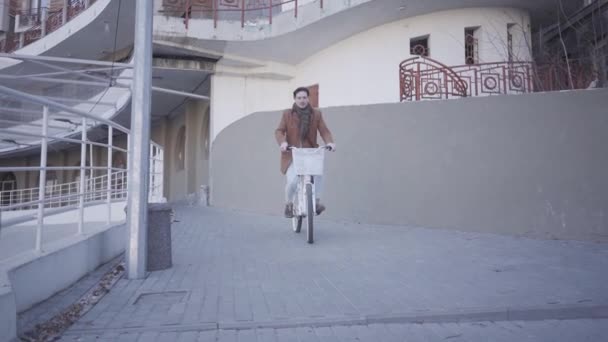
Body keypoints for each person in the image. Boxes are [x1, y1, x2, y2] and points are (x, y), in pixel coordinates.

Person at [275, 87, 335, 218]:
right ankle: (289, 204)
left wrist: (329, 142)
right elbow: (279, 131)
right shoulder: (287, 114)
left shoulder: (316, 114)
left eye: (304, 97)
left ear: (308, 98)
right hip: (292, 154)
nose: (302, 100)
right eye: (299, 98)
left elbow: (324, 130)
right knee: (292, 181)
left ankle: (316, 202)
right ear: (295, 99)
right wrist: (283, 143)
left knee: (318, 174)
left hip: (310, 153)